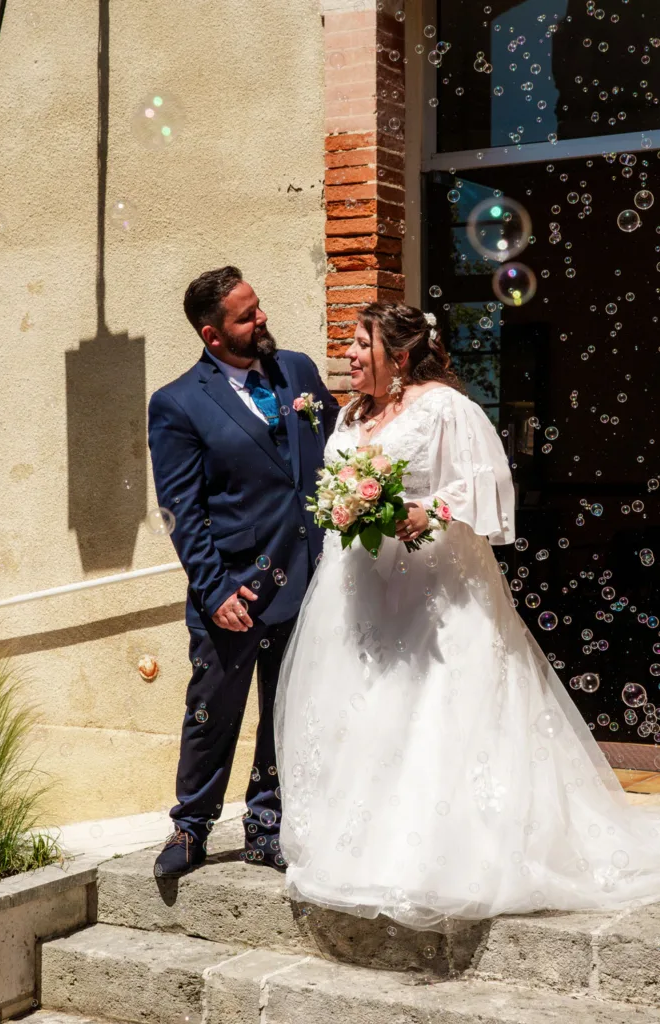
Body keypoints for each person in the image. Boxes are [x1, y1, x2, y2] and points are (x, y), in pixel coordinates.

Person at [274, 302, 660, 932]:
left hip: (434, 594)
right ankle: (357, 849)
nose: (347, 354)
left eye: (359, 343)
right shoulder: (349, 414)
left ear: (396, 356)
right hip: (359, 590)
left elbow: (489, 487)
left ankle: (433, 857)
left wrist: (430, 513)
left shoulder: (447, 408)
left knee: (430, 716)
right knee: (366, 717)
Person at [148, 266, 340, 878]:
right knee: (213, 709)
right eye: (245, 316)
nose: (261, 320)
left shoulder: (299, 372)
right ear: (212, 334)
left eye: (258, 307)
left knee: (286, 707)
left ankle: (267, 825)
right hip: (234, 585)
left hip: (309, 578)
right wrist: (214, 589)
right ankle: (191, 825)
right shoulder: (177, 404)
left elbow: (338, 448)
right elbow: (182, 508)